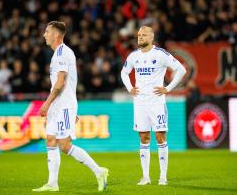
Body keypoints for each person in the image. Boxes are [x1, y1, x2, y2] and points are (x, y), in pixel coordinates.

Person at [32, 21, 109, 192]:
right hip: (60, 104)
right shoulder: (59, 53)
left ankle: (99, 171)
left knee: (65, 145)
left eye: (47, 31)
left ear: (56, 35)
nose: (44, 34)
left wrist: (46, 104)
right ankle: (52, 183)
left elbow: (60, 84)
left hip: (63, 104)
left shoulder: (61, 53)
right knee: (50, 139)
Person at [121, 26, 186, 186]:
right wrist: (130, 88)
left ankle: (163, 176)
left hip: (157, 102)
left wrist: (168, 88)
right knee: (143, 138)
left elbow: (181, 70)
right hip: (140, 103)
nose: (140, 37)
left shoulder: (160, 54)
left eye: (143, 35)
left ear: (151, 37)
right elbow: (124, 73)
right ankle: (145, 177)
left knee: (160, 137)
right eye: (138, 35)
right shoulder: (133, 56)